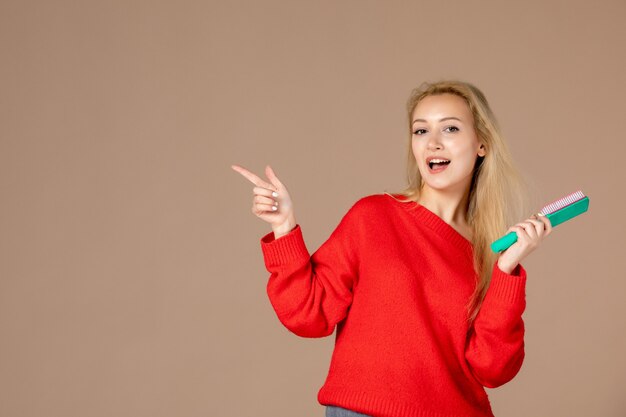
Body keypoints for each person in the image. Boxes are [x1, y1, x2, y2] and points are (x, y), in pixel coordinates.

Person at [231, 80, 552, 417]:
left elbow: (493, 368)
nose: (433, 143)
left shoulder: (488, 253)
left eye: (451, 128)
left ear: (481, 144)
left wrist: (505, 272)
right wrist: (283, 227)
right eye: (421, 131)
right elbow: (309, 314)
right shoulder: (373, 217)